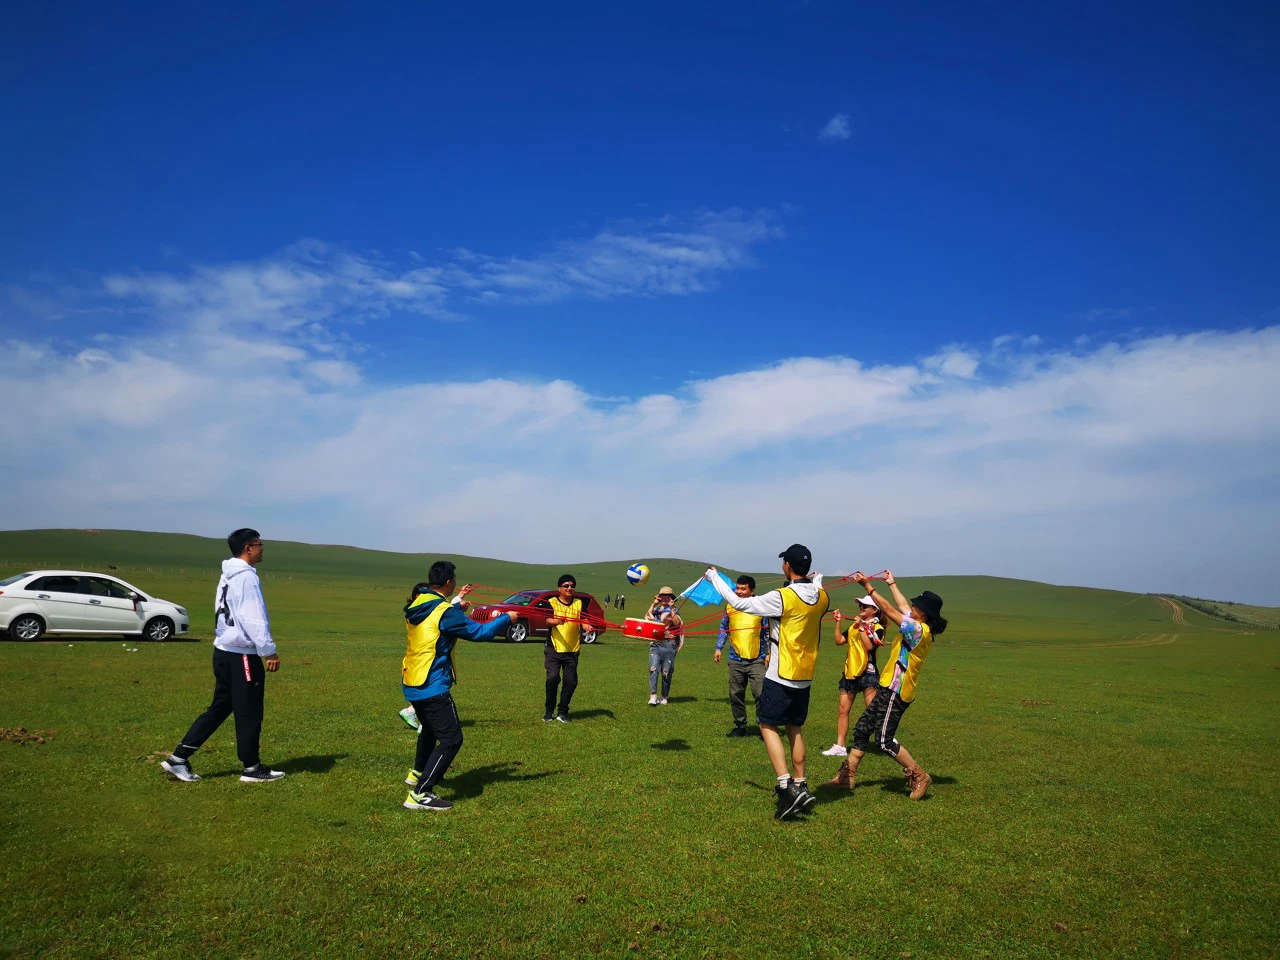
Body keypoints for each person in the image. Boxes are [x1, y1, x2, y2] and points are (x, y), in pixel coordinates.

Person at [705, 544, 828, 820]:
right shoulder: (822, 597)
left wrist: (715, 579)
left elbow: (739, 604)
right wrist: (817, 581)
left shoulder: (782, 597)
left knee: (766, 723)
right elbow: (817, 590)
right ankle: (801, 784)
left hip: (780, 672)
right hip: (805, 675)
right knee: (794, 726)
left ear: (787, 566)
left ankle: (785, 786)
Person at [162, 528, 284, 784]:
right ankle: (252, 768)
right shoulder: (247, 577)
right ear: (248, 548)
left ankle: (178, 759)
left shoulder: (227, 575)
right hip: (242, 655)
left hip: (223, 651)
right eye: (260, 545)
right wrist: (268, 650)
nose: (263, 549)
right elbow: (252, 616)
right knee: (249, 712)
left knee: (220, 708)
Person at [402, 561, 513, 812]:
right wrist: (507, 618)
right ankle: (421, 793)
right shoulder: (444, 610)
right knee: (452, 739)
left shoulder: (418, 603)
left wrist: (456, 609)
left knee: (429, 731)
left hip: (412, 680)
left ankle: (417, 773)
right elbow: (480, 633)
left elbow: (438, 622)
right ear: (450, 582)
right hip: (432, 685)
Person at [831, 571, 946, 800]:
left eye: (917, 605)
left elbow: (893, 612)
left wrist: (869, 588)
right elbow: (902, 606)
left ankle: (920, 775)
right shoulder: (916, 622)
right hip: (888, 685)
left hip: (898, 689)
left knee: (884, 740)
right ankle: (846, 777)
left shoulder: (918, 630)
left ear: (924, 613)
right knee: (863, 728)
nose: (912, 605)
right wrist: (891, 584)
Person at [399, 583, 473, 730]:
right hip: (426, 661)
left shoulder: (417, 612)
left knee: (427, 692)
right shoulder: (420, 613)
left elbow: (443, 612)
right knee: (430, 692)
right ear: (417, 597)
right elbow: (441, 614)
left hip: (418, 663)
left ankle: (420, 719)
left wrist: (460, 599)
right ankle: (414, 714)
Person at [820, 595, 885, 758]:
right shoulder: (853, 627)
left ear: (875, 610)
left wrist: (862, 627)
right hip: (850, 671)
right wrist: (838, 622)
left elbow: (869, 646)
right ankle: (840, 745)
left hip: (868, 673)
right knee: (843, 710)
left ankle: (884, 740)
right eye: (860, 605)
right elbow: (839, 640)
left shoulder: (878, 628)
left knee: (872, 710)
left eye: (865, 606)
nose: (861, 608)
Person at [713, 575, 771, 736]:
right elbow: (724, 628)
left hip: (756, 659)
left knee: (760, 694)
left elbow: (766, 631)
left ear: (752, 591)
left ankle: (763, 728)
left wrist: (769, 652)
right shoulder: (730, 606)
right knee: (735, 694)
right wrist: (718, 648)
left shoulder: (760, 607)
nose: (738, 591)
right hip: (735, 659)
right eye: (737, 588)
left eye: (743, 588)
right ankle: (740, 726)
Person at [539, 574, 588, 722]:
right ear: (559, 588)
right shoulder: (552, 602)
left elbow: (584, 620)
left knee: (571, 682)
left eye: (572, 586)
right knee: (553, 678)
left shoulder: (579, 603)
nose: (569, 588)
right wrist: (557, 621)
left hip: (572, 650)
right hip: (554, 648)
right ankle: (549, 711)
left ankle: (563, 712)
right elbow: (547, 620)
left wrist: (587, 627)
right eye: (566, 586)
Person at [646, 586, 684, 705]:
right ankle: (653, 695)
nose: (665, 598)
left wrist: (672, 608)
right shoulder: (656, 610)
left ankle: (664, 696)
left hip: (669, 644)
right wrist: (653, 604)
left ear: (672, 598)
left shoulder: (674, 610)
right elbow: (647, 618)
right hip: (656, 643)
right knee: (653, 668)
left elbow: (677, 623)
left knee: (666, 672)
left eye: (668, 596)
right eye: (662, 595)